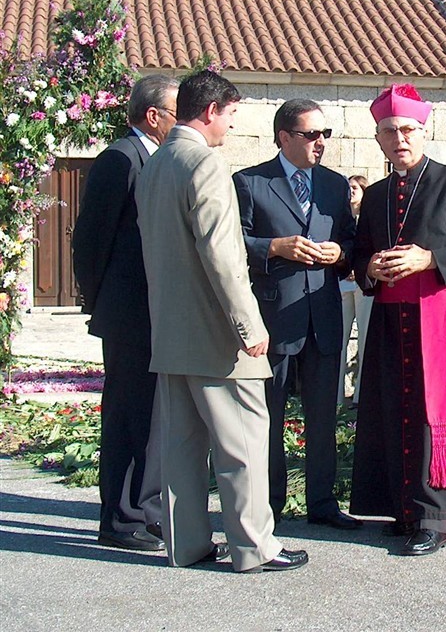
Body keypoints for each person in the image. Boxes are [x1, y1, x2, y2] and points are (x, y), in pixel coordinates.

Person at [135, 70, 308, 573]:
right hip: (216, 335)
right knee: (245, 441)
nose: (231, 128)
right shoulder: (204, 163)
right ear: (210, 111)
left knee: (182, 450)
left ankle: (186, 544)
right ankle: (255, 547)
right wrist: (249, 326)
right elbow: (223, 256)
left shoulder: (156, 162)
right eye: (231, 116)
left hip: (170, 331)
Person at [350, 83, 446, 556]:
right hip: (389, 318)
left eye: (408, 129)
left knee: (432, 414)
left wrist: (429, 260)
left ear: (424, 132)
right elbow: (360, 252)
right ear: (379, 138)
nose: (399, 138)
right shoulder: (377, 194)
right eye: (390, 131)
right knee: (392, 408)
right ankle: (401, 508)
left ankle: (434, 514)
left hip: (440, 317)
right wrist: (368, 266)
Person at [233, 99, 360, 529]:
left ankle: (322, 503)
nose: (320, 142)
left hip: (323, 317)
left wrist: (341, 252)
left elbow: (352, 242)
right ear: (284, 137)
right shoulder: (250, 183)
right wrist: (273, 247)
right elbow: (231, 245)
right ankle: (269, 504)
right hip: (274, 319)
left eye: (325, 134)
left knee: (323, 417)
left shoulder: (334, 185)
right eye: (311, 134)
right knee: (266, 418)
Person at [72, 74, 179, 551]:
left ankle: (147, 510)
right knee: (128, 416)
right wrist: (100, 302)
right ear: (153, 116)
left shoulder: (154, 159)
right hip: (129, 313)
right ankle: (119, 519)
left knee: (154, 416)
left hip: (155, 313)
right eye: (178, 113)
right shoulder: (120, 159)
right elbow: (90, 240)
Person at [337, 175, 374, 406]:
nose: (350, 191)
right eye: (348, 187)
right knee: (339, 340)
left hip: (362, 285)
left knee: (364, 338)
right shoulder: (341, 215)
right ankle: (337, 397)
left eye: (354, 188)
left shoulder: (369, 217)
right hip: (342, 283)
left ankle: (360, 395)